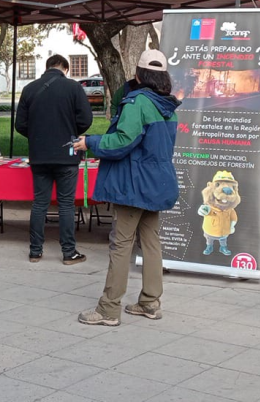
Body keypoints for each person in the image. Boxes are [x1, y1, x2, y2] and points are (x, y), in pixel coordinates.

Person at [73, 49, 180, 326]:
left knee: (121, 245)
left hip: (134, 185)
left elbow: (122, 141)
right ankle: (150, 303)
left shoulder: (138, 103)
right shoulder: (167, 106)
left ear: (138, 74)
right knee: (151, 243)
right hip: (158, 183)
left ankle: (108, 309)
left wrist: (90, 143)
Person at [15, 54, 93, 264]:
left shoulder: (30, 88)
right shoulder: (73, 88)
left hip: (39, 155)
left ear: (47, 67)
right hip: (67, 154)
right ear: (65, 69)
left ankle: (35, 251)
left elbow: (20, 124)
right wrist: (71, 130)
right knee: (66, 204)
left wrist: (37, 135)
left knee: (40, 202)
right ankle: (69, 253)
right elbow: (86, 119)